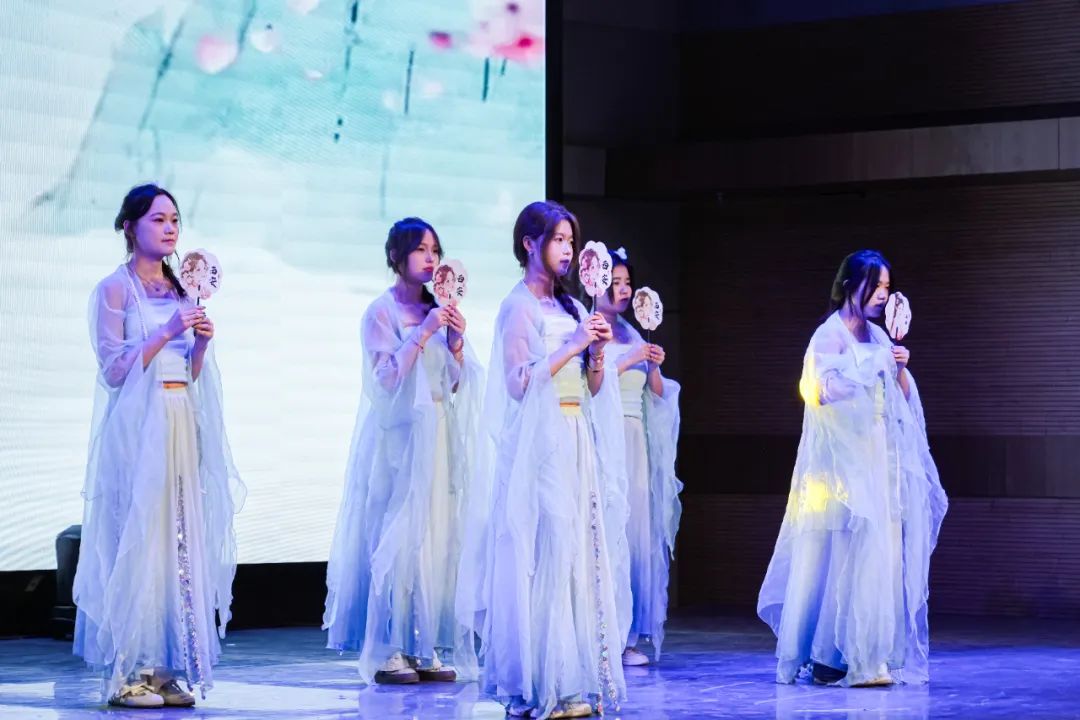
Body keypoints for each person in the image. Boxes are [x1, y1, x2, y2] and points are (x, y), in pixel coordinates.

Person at [458, 201, 631, 720]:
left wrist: (595, 354)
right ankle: (540, 686)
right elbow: (517, 383)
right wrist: (573, 345)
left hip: (574, 437)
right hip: (539, 444)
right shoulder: (518, 307)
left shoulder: (573, 307)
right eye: (558, 239)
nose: (567, 250)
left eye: (571, 241)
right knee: (546, 552)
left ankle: (570, 679)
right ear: (530, 244)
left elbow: (593, 386)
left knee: (576, 553)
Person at [73, 184, 243, 708]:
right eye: (158, 219)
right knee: (141, 539)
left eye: (174, 220)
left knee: (178, 543)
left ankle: (166, 667)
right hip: (138, 427)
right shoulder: (114, 289)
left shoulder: (180, 289)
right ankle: (130, 670)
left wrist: (201, 344)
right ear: (130, 226)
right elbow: (114, 369)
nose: (169, 229)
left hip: (178, 419)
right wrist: (167, 329)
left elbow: (187, 373)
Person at [758, 250, 948, 687]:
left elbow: (900, 397)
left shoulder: (879, 337)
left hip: (878, 456)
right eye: (874, 285)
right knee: (841, 549)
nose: (882, 295)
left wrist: (899, 368)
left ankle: (870, 652)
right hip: (841, 462)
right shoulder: (828, 335)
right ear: (850, 285)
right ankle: (831, 652)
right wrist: (868, 369)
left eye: (886, 287)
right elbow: (816, 391)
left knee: (878, 551)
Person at [323, 218, 482, 685]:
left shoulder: (439, 310)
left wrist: (455, 342)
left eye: (435, 250)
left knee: (435, 536)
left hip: (438, 434)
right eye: (420, 249)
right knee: (397, 536)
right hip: (399, 439)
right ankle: (388, 648)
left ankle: (423, 643)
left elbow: (454, 383)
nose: (430, 258)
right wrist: (423, 333)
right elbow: (385, 380)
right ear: (397, 256)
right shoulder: (382, 312)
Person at [595, 249, 682, 667]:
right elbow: (590, 384)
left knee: (635, 538)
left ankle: (628, 635)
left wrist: (654, 368)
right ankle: (600, 634)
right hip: (604, 438)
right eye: (616, 282)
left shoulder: (633, 333)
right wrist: (631, 359)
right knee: (605, 532)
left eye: (628, 282)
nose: (624, 290)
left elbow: (660, 396)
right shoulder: (588, 329)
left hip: (634, 441)